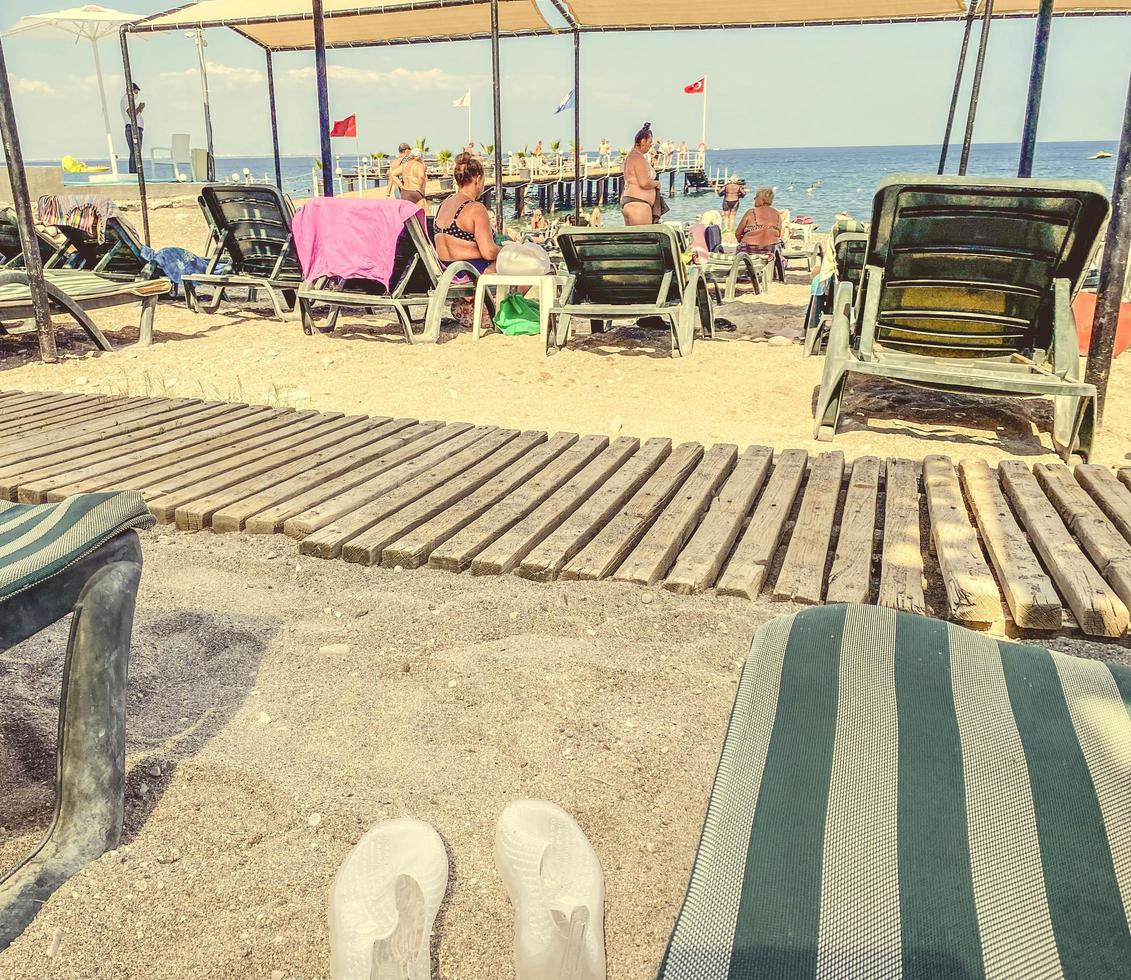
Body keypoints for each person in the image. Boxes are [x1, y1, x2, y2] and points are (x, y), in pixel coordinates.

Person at [735, 186, 786, 281]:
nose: (754, 199)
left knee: (739, 250)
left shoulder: (751, 212)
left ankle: (743, 270)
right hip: (771, 251)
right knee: (778, 246)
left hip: (748, 250)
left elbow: (738, 233)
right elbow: (778, 234)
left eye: (756, 197)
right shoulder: (776, 214)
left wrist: (742, 240)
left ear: (761, 199)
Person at [621, 122, 666, 226]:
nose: (651, 145)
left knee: (633, 240)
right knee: (642, 240)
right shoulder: (638, 157)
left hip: (630, 201)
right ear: (643, 141)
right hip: (639, 205)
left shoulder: (630, 156)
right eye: (650, 142)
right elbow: (644, 183)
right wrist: (656, 183)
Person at [120, 83, 145, 175]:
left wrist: (139, 109)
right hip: (132, 128)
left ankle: (135, 173)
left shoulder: (130, 100)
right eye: (136, 92)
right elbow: (132, 114)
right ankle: (135, 174)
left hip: (136, 128)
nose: (137, 94)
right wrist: (140, 107)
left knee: (135, 152)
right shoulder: (126, 99)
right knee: (135, 152)